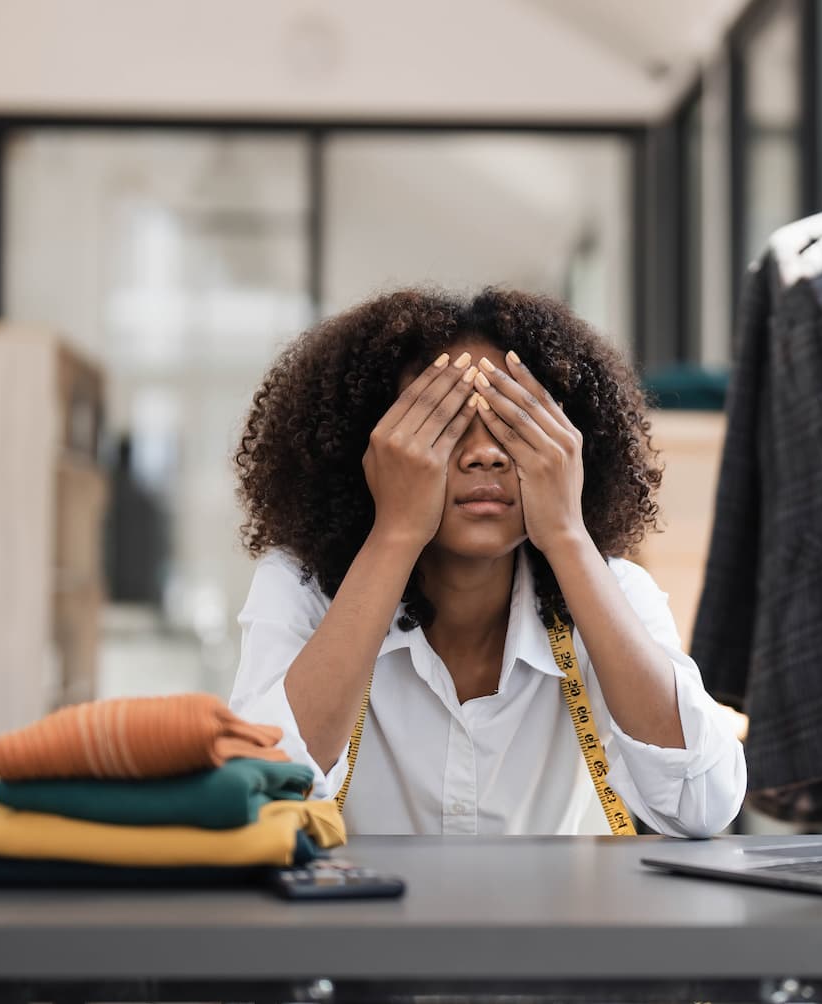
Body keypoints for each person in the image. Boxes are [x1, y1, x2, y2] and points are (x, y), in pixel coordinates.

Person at [227, 288, 743, 838]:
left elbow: (703, 806)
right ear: (371, 448)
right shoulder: (302, 588)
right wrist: (395, 532)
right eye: (443, 425)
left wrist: (567, 533)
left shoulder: (610, 591)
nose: (485, 453)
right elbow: (264, 791)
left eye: (513, 426)